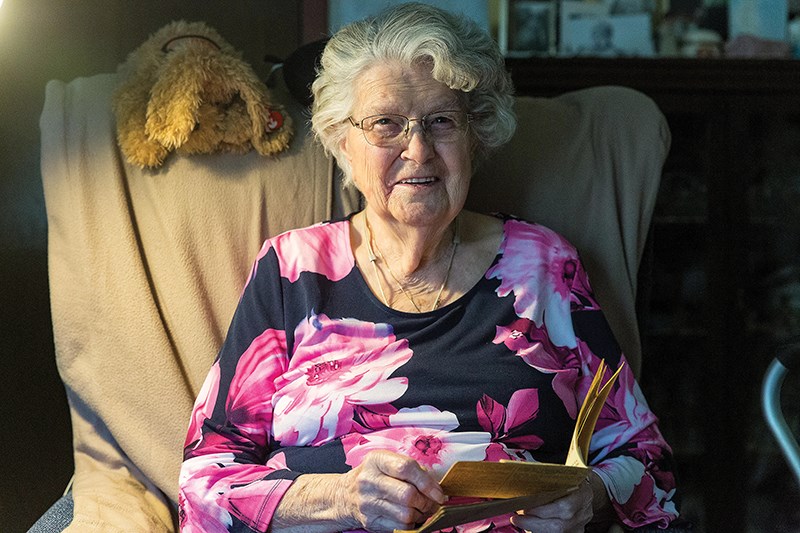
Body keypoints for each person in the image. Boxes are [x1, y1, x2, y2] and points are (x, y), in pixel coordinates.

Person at [178, 3, 680, 532]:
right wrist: (343, 496)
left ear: (476, 134)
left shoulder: (544, 266)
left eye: (441, 121)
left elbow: (645, 460)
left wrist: (589, 493)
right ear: (343, 141)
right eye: (386, 124)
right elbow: (203, 483)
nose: (418, 151)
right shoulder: (293, 269)